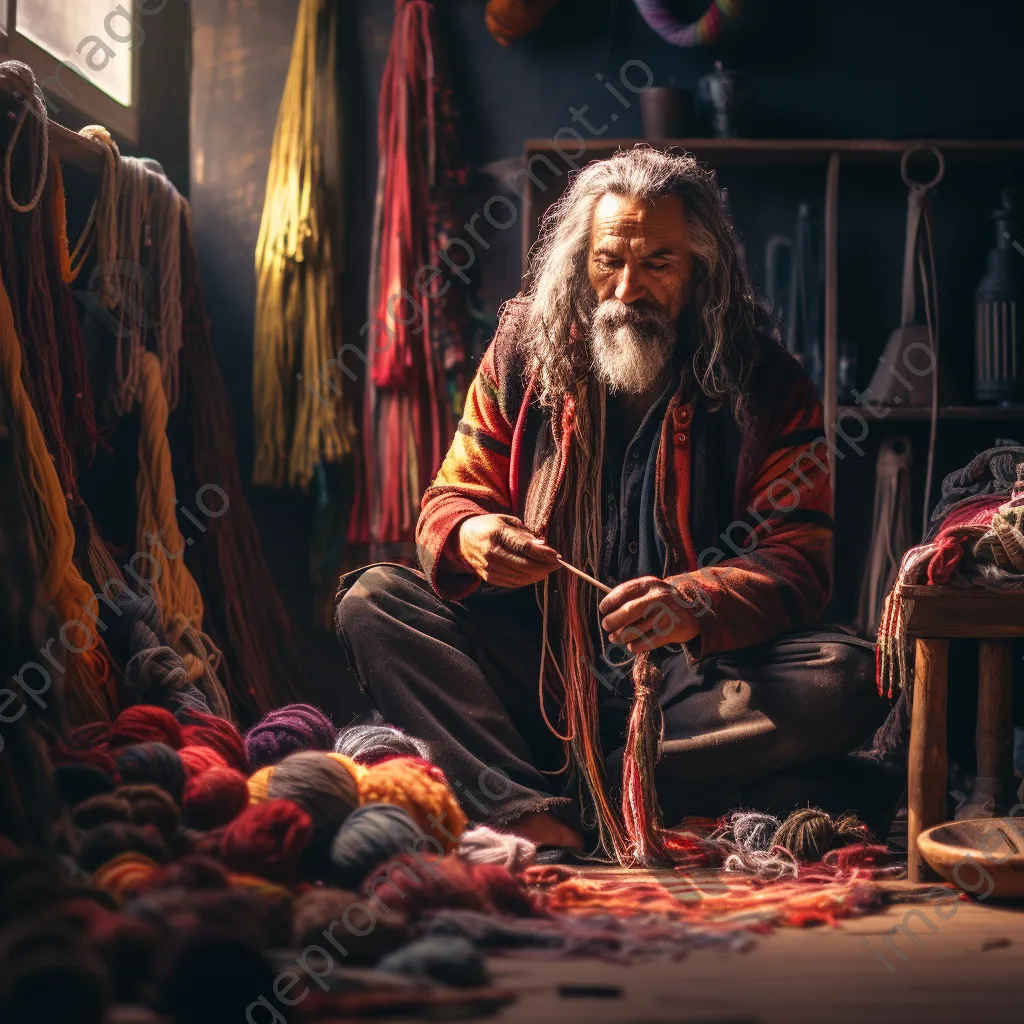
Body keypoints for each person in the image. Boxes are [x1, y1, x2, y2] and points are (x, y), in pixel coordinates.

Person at [336, 147, 883, 854]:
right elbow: (451, 497)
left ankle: (554, 794)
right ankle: (573, 804)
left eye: (658, 263)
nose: (627, 288)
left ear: (702, 270)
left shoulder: (766, 380)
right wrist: (473, 536)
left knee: (851, 679)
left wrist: (692, 602)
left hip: (692, 693)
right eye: (608, 261)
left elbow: (797, 561)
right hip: (535, 676)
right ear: (580, 262)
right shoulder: (521, 351)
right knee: (373, 600)